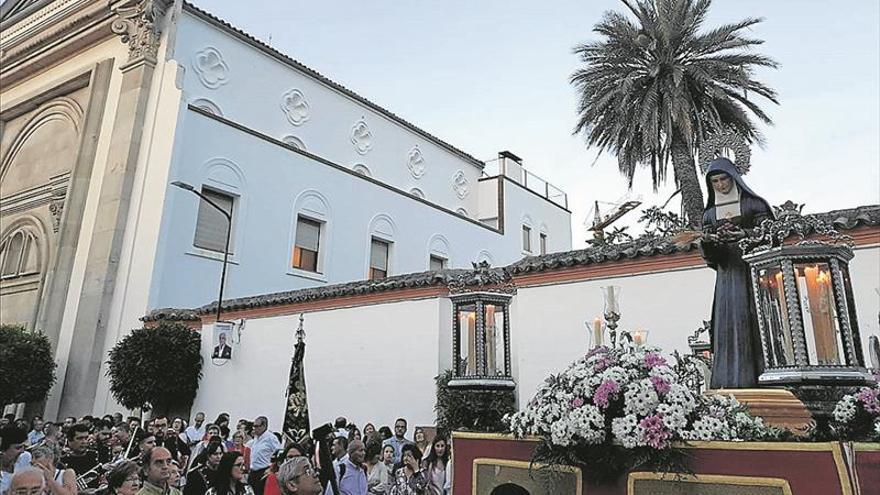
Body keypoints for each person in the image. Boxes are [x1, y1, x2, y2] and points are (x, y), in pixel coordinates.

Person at [700, 157, 774, 388]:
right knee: (727, 326)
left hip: (753, 273)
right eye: (715, 181)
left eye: (724, 179)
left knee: (755, 324)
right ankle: (727, 381)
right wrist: (709, 242)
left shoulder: (754, 205)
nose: (721, 185)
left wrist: (743, 236)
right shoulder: (710, 215)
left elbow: (770, 235)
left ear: (734, 178)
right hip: (727, 276)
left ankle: (762, 378)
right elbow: (710, 257)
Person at [247, 417, 280, 495]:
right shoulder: (256, 438)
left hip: (264, 471)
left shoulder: (271, 438)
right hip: (253, 472)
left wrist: (272, 468)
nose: (254, 428)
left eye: (257, 426)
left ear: (264, 426)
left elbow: (278, 454)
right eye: (254, 426)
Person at [60, 423, 100, 488]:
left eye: (86, 438)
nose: (84, 442)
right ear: (70, 440)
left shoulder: (95, 455)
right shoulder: (62, 461)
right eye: (79, 438)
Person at [0, 426, 30, 495]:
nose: (22, 451)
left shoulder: (25, 458)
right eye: (18, 448)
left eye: (24, 447)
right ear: (2, 450)